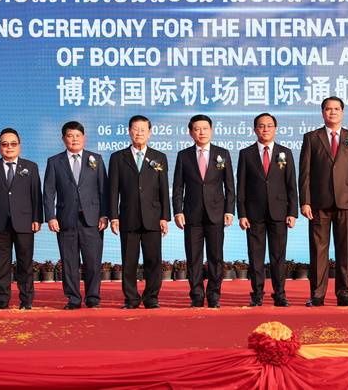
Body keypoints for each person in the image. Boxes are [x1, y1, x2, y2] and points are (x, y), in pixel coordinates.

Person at [299, 97, 348, 307]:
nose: (332, 112)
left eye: (336, 109)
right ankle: (317, 295)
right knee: (318, 251)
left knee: (344, 250)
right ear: (322, 113)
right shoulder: (312, 138)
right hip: (318, 203)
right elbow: (305, 173)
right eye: (328, 109)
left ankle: (344, 294)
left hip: (346, 202)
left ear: (342, 112)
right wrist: (305, 201)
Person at [44, 121, 108, 309]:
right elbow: (48, 192)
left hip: (92, 220)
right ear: (63, 139)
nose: (74, 139)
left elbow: (103, 190)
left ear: (84, 138)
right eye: (70, 136)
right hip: (65, 219)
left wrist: (104, 215)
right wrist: (51, 216)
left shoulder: (96, 159)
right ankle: (73, 299)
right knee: (69, 262)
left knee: (93, 261)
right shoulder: (54, 162)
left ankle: (93, 298)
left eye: (78, 136)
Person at [173, 114, 235, 308]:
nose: (201, 132)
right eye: (197, 129)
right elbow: (178, 187)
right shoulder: (183, 156)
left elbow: (230, 186)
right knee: (194, 258)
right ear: (190, 132)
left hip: (216, 213)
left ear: (211, 130)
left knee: (216, 257)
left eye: (205, 128)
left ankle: (214, 296)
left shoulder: (222, 154)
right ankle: (197, 296)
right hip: (191, 214)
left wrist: (229, 210)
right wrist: (178, 211)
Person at [109, 115, 171, 309]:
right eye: (135, 129)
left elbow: (163, 189)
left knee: (153, 261)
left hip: (153, 217)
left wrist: (165, 217)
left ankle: (151, 298)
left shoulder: (159, 157)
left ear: (149, 133)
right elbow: (113, 190)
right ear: (129, 131)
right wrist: (114, 216)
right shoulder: (118, 158)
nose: (139, 133)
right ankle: (131, 299)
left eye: (143, 130)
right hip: (128, 217)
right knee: (129, 262)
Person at [237, 113, 298, 307]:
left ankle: (280, 294)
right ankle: (257, 294)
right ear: (255, 129)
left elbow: (291, 184)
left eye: (269, 126)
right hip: (253, 213)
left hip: (279, 212)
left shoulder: (285, 152)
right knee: (256, 256)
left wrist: (292, 212)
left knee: (278, 256)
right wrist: (242, 214)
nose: (265, 129)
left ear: (275, 129)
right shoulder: (246, 154)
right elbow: (241, 187)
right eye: (261, 126)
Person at [0, 128, 43, 310]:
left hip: (25, 222)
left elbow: (36, 195)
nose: (9, 147)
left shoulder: (30, 167)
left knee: (25, 263)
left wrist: (37, 218)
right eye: (5, 144)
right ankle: (2, 300)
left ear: (19, 146)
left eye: (13, 144)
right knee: (2, 264)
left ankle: (26, 300)